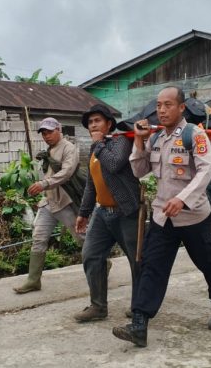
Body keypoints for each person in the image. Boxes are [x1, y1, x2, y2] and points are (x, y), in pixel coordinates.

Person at [112, 86, 211, 348]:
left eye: (168, 105)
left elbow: (205, 171)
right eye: (158, 105)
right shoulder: (155, 139)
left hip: (193, 217)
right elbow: (139, 171)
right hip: (162, 217)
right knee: (152, 267)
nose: (162, 110)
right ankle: (140, 324)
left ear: (181, 108)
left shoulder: (195, 135)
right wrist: (138, 140)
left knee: (209, 263)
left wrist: (183, 198)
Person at [73, 104, 141, 322]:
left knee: (137, 260)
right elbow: (92, 184)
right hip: (102, 213)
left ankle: (140, 305)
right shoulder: (96, 149)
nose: (93, 125)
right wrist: (84, 212)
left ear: (109, 123)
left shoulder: (121, 141)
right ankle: (98, 307)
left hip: (126, 212)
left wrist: (99, 144)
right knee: (91, 256)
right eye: (90, 122)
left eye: (97, 121)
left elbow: (114, 164)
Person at [13, 117, 84, 293]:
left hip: (65, 202)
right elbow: (49, 174)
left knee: (82, 238)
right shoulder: (49, 150)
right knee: (38, 238)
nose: (46, 136)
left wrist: (44, 184)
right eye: (44, 133)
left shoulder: (69, 148)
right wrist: (43, 192)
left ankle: (103, 264)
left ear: (59, 129)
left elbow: (66, 173)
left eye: (50, 132)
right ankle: (33, 280)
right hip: (49, 202)